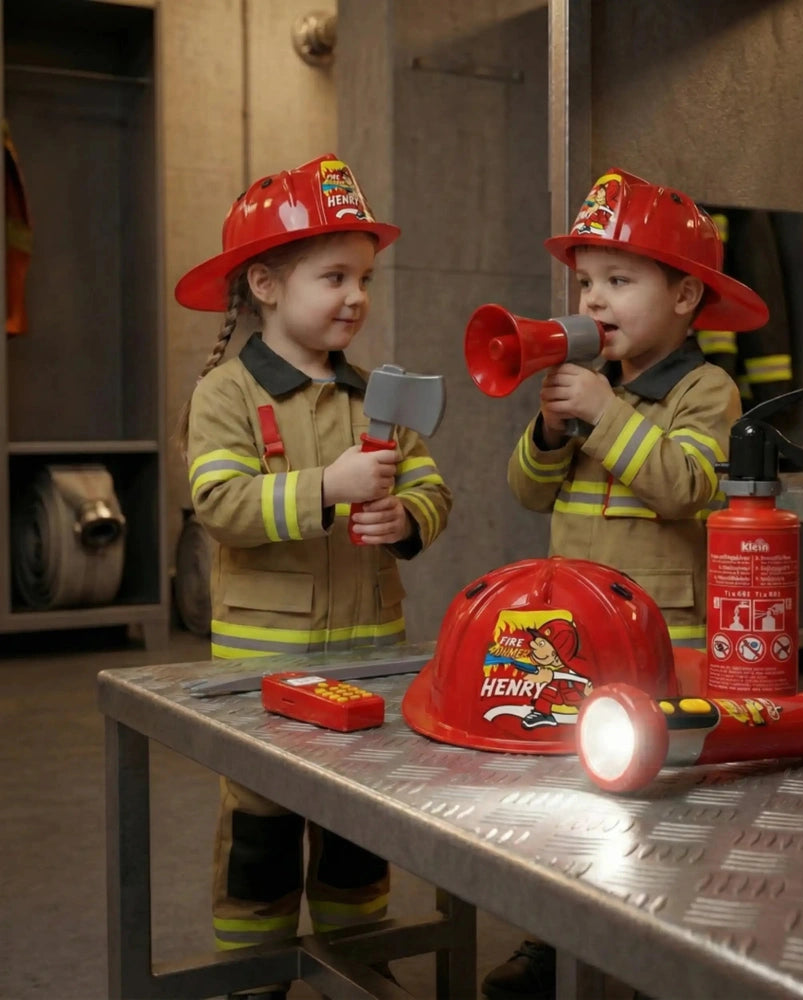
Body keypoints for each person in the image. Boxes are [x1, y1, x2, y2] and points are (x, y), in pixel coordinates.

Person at [484, 167, 768, 1000]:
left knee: (658, 794)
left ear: (685, 296)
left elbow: (688, 486)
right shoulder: (586, 385)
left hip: (666, 640)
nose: (594, 301)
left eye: (619, 281)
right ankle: (551, 938)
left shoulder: (706, 390)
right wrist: (550, 429)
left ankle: (658, 940)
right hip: (576, 632)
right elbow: (527, 491)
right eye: (586, 283)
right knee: (569, 789)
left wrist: (606, 416)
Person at [174, 154, 452, 1000]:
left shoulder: (382, 397)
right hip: (264, 670)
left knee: (357, 833)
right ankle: (253, 976)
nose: (356, 296)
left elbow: (432, 487)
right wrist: (325, 487)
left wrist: (407, 517)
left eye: (364, 278)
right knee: (261, 834)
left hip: (369, 662)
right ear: (265, 284)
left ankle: (357, 960)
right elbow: (220, 503)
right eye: (334, 277)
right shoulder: (225, 395)